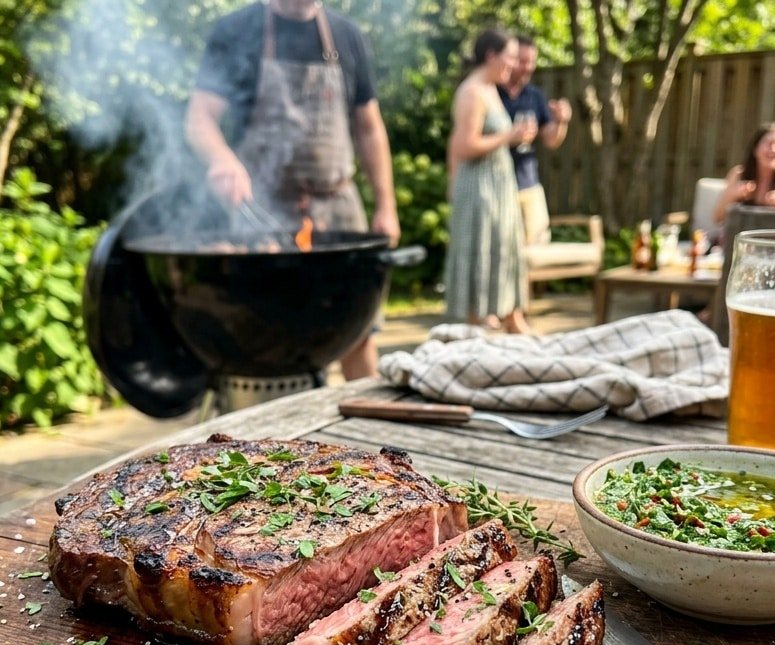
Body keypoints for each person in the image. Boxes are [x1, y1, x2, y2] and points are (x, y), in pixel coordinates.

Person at [184, 0, 400, 380]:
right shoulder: (236, 31)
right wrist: (222, 159)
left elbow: (369, 128)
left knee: (358, 330)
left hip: (338, 209)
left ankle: (367, 431)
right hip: (263, 213)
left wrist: (386, 204)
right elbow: (200, 118)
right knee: (262, 335)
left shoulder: (347, 36)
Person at [444, 28, 537, 334]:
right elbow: (463, 146)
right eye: (509, 57)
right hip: (480, 188)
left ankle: (513, 319)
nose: (513, 64)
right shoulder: (471, 92)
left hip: (498, 186)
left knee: (506, 249)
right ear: (491, 56)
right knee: (482, 250)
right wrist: (509, 136)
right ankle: (477, 325)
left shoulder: (490, 90)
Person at [496, 34, 573, 245]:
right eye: (522, 61)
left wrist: (561, 122)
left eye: (531, 61)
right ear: (509, 59)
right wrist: (510, 137)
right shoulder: (491, 92)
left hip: (529, 186)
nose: (528, 67)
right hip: (498, 187)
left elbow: (551, 140)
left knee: (537, 250)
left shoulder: (535, 95)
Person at [712, 122, 775, 226]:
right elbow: (718, 218)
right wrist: (732, 195)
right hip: (739, 238)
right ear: (755, 149)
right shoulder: (738, 174)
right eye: (769, 144)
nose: (773, 150)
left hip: (773, 239)